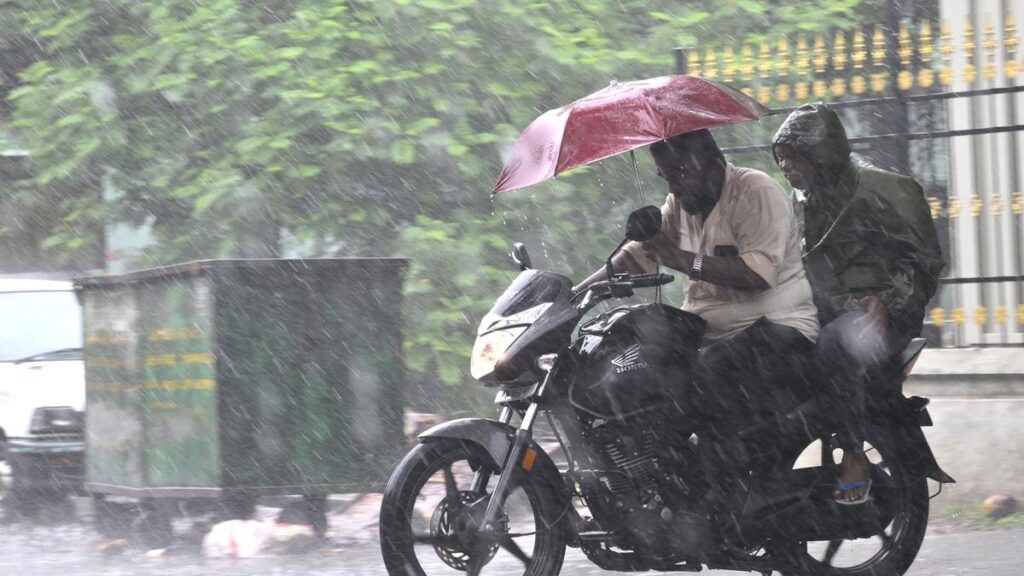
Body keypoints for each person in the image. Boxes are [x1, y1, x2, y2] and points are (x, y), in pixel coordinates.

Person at [573, 129, 820, 518]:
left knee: (702, 378)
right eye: (666, 176)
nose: (673, 184)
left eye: (681, 172)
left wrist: (684, 259)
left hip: (779, 328)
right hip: (711, 334)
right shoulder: (680, 202)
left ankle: (727, 496)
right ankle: (661, 487)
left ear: (713, 163)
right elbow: (636, 256)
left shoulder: (755, 191)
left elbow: (759, 274)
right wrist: (573, 297)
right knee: (631, 375)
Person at [771, 103, 944, 504]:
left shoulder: (884, 188)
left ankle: (853, 455)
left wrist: (888, 303)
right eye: (780, 159)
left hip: (880, 315)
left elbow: (923, 260)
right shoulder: (802, 200)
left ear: (820, 153)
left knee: (838, 342)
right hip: (826, 309)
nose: (785, 168)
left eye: (793, 157)